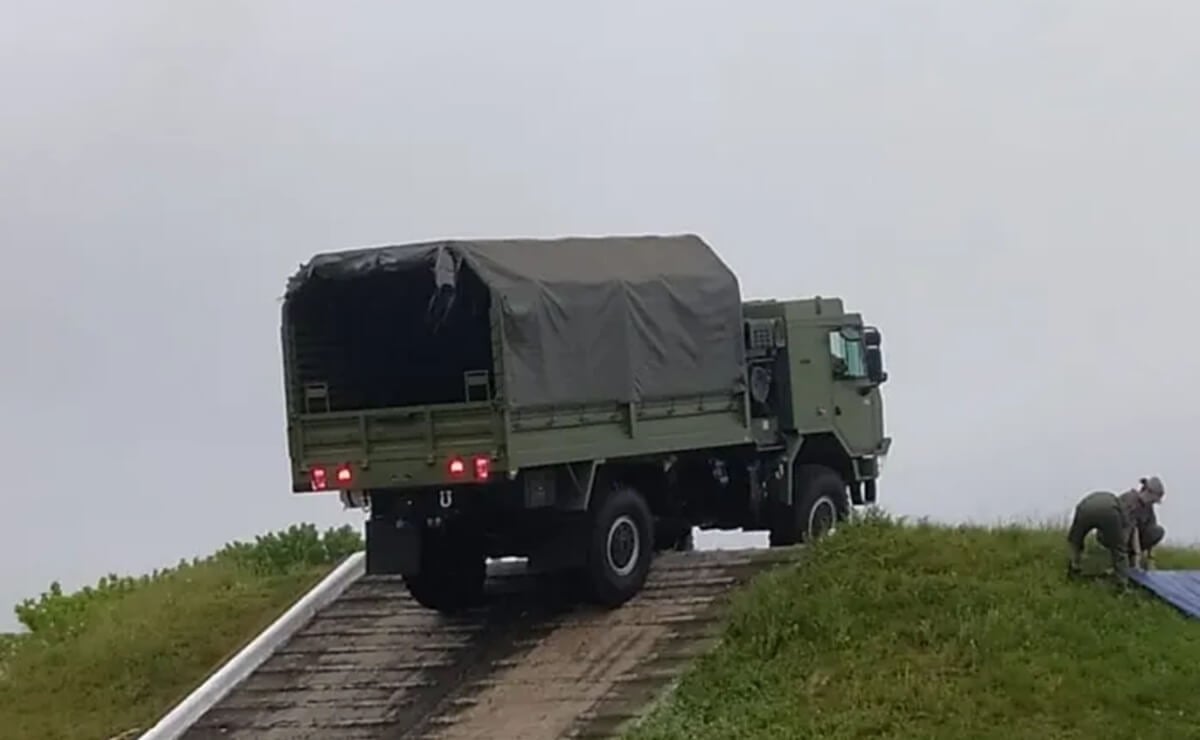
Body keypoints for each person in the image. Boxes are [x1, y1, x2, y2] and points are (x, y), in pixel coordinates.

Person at [1066, 476, 1166, 581]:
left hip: (1130, 537)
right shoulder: (1129, 499)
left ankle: (1125, 565)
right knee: (1120, 549)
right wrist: (1136, 558)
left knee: (1158, 531)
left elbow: (1151, 527)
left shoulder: (1148, 508)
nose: (1153, 503)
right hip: (1113, 533)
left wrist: (1151, 560)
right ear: (1147, 492)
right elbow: (1129, 529)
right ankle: (1120, 575)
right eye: (1154, 500)